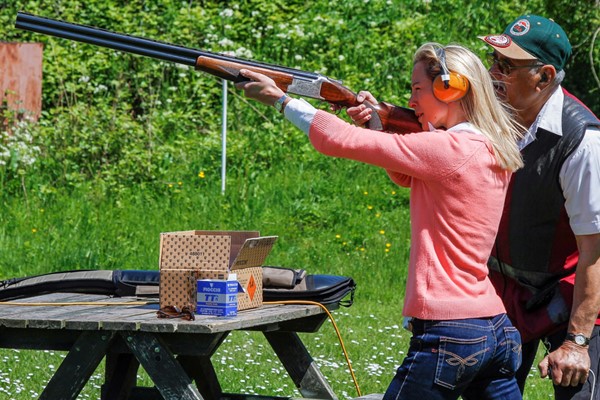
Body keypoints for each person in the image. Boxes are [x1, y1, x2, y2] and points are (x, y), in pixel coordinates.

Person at [236, 42, 524, 399]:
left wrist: (282, 100)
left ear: (451, 88)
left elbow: (338, 138)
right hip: (493, 327)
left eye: (417, 89)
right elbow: (407, 173)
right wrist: (378, 121)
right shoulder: (489, 149)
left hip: (450, 330)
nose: (412, 100)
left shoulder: (448, 149)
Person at [346, 15, 600, 400]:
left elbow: (594, 254)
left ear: (544, 77)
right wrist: (381, 119)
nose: (491, 72)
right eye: (492, 60)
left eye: (506, 66)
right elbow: (431, 138)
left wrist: (578, 342)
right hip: (503, 296)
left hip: (569, 299)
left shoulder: (582, 142)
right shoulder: (492, 116)